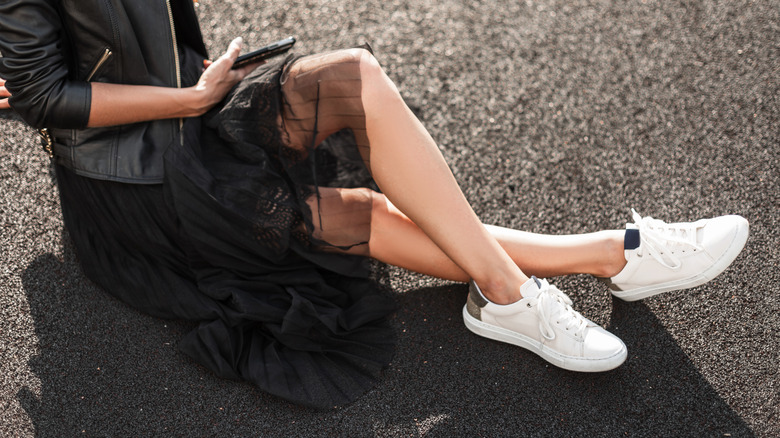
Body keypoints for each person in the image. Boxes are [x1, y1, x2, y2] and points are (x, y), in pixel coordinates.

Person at [0, 0, 748, 408]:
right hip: (135, 183)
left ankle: (590, 266)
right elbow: (39, 94)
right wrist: (188, 95)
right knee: (353, 214)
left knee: (356, 77)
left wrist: (199, 91)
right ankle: (586, 266)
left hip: (196, 111)